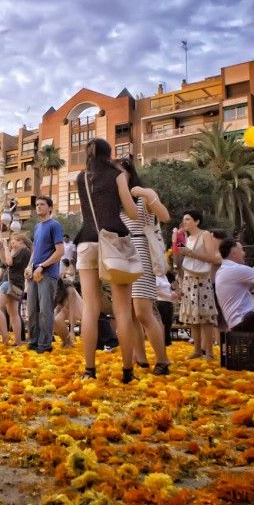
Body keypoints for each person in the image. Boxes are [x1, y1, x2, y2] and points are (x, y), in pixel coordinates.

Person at [74, 138, 140, 382]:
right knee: (122, 309)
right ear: (108, 153)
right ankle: (127, 372)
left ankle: (89, 371)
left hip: (86, 240)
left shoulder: (81, 178)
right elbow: (132, 212)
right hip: (114, 240)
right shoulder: (116, 174)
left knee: (90, 308)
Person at [118, 158, 171, 374]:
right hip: (122, 254)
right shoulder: (115, 201)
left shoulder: (141, 195)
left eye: (120, 172)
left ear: (129, 172)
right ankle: (141, 358)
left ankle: (163, 360)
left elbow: (165, 217)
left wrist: (146, 193)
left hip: (141, 251)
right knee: (129, 312)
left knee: (142, 312)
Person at [177, 210, 221, 360]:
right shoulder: (186, 237)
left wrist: (192, 254)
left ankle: (208, 352)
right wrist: (177, 238)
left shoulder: (205, 235)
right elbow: (179, 256)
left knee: (205, 317)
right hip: (189, 279)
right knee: (192, 317)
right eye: (184, 220)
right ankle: (197, 350)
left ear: (197, 222)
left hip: (202, 281)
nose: (185, 222)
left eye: (188, 219)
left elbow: (213, 258)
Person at [26, 195, 65, 353]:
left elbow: (60, 251)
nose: (38, 207)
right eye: (37, 205)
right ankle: (33, 341)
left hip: (47, 274)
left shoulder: (55, 225)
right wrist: (29, 266)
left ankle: (45, 344)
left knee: (45, 310)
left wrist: (42, 266)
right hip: (33, 273)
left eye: (42, 204)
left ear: (50, 208)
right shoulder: (37, 227)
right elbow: (35, 249)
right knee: (31, 309)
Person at [0, 233, 30, 345]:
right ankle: (18, 341)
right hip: (17, 285)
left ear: (21, 242)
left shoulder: (24, 251)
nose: (12, 242)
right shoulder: (20, 252)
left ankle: (5, 336)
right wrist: (0, 249)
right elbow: (5, 262)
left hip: (11, 283)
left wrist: (5, 247)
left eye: (15, 240)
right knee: (14, 314)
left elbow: (9, 263)